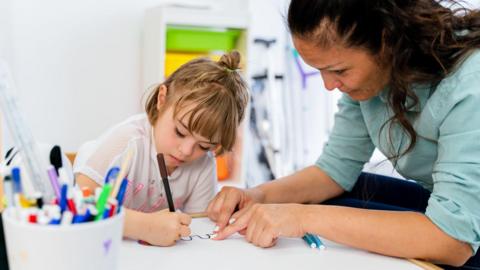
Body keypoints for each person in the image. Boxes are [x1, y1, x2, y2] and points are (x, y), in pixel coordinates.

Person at [207, 0, 480, 268]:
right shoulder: (377, 76)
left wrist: (302, 217)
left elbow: (453, 241)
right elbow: (334, 170)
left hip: (462, 235)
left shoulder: (471, 82)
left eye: (338, 70)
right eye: (320, 72)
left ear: (387, 40)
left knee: (320, 210)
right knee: (343, 192)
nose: (329, 85)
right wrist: (257, 196)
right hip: (445, 205)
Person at [74, 51, 248, 246]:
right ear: (162, 99)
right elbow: (79, 204)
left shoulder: (203, 166)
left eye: (204, 145)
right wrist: (143, 226)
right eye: (180, 132)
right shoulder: (127, 142)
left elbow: (198, 230)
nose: (186, 151)